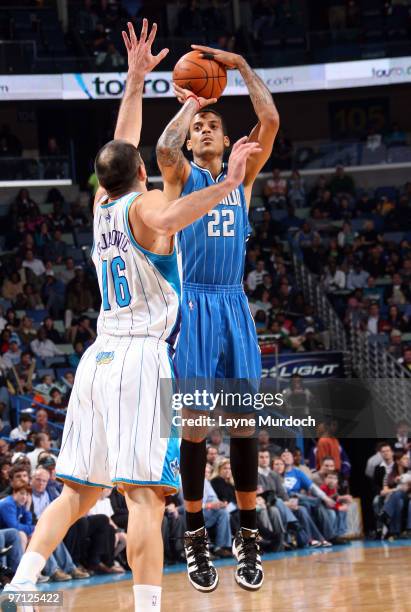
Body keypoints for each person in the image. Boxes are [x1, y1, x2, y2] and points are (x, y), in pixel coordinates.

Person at [5, 20, 261, 612]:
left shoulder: (102, 204)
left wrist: (137, 81)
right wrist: (229, 182)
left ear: (105, 180)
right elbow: (175, 214)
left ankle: (22, 585)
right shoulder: (147, 205)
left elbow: (122, 141)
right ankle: (148, 607)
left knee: (76, 491)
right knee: (146, 498)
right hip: (143, 357)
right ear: (141, 174)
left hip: (97, 359)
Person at [156, 41, 279, 592]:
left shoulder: (241, 177)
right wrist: (188, 103)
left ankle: (248, 537)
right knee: (196, 428)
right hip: (196, 307)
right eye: (199, 126)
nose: (205, 129)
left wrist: (241, 68)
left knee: (246, 425)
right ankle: (195, 535)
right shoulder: (184, 178)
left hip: (233, 305)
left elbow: (270, 119)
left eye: (212, 123)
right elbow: (162, 148)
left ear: (229, 139)